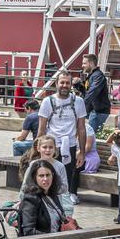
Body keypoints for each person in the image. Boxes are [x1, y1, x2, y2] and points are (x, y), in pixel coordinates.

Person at [36, 71, 87, 200]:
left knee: (66, 180)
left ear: (71, 85)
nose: (64, 85)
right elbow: (41, 128)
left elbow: (81, 128)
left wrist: (82, 152)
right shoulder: (48, 101)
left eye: (67, 83)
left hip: (70, 146)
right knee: (48, 178)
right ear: (56, 84)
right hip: (51, 147)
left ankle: (64, 207)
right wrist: (37, 150)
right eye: (62, 82)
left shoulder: (78, 101)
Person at [18, 135, 77, 217]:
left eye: (50, 147)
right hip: (36, 202)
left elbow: (65, 187)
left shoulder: (60, 166)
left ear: (55, 149)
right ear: (38, 148)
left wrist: (50, 190)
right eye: (44, 147)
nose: (48, 150)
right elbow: (25, 186)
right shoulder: (33, 165)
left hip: (56, 202)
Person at [81, 54, 111, 135]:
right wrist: (78, 85)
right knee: (90, 135)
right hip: (94, 111)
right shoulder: (92, 76)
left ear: (91, 63)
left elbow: (92, 93)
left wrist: (81, 105)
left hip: (99, 111)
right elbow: (87, 92)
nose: (82, 66)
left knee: (90, 136)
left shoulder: (98, 76)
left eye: (84, 63)